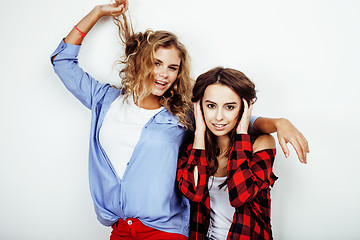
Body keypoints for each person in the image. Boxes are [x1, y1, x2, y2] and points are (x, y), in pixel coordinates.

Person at [50, 1, 308, 239]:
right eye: (156, 63)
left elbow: (230, 120)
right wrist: (98, 12)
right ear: (141, 62)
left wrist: (278, 123)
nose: (163, 74)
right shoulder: (104, 100)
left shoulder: (180, 114)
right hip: (120, 229)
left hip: (165, 230)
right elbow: (62, 62)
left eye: (172, 68)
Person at [177, 67, 279, 240]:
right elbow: (195, 193)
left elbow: (240, 196)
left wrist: (242, 133)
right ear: (199, 106)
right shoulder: (191, 148)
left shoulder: (262, 144)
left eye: (229, 107)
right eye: (210, 106)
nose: (218, 117)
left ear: (244, 108)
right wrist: (199, 132)